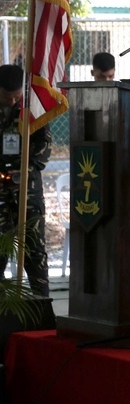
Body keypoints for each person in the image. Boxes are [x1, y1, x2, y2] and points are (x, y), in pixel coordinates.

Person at [0, 65, 52, 296]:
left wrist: (25, 169)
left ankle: (41, 307)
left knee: (34, 248)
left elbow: (44, 145)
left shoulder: (33, 108)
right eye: (6, 97)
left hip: (27, 191)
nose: (12, 101)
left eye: (16, 96)